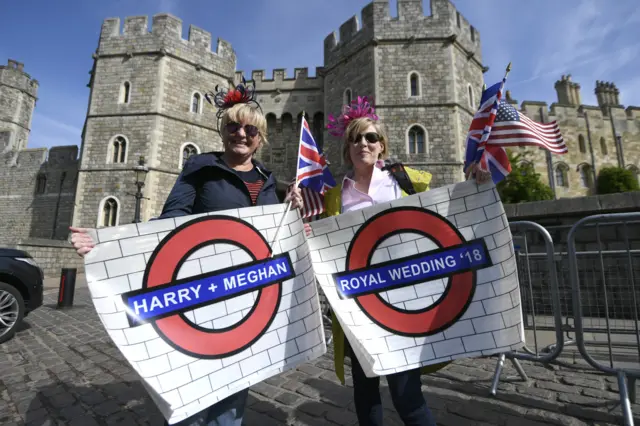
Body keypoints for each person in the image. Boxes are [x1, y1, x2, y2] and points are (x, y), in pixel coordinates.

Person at [70, 79, 301, 426]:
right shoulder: (201, 169)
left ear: (260, 136)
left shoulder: (269, 182)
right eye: (233, 126)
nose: (241, 133)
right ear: (222, 130)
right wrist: (106, 242)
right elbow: (169, 223)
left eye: (250, 128)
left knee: (233, 397)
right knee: (191, 396)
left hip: (248, 300)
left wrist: (296, 218)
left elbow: (276, 241)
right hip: (198, 295)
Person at [288, 96, 490, 426]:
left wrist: (477, 181)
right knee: (365, 395)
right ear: (347, 149)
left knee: (407, 396)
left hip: (404, 306)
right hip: (358, 308)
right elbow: (317, 242)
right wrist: (297, 206)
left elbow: (448, 214)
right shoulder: (335, 196)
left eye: (370, 137)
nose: (362, 143)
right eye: (355, 138)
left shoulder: (406, 182)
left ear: (382, 145)